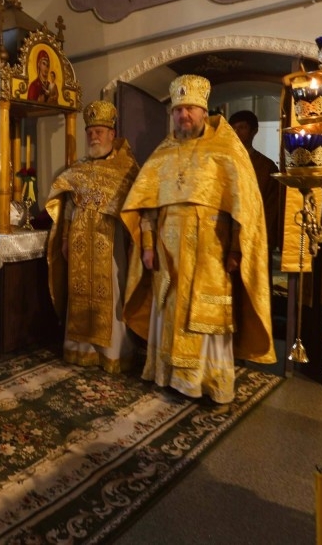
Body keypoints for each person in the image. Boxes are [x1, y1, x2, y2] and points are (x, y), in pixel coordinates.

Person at [121, 75, 275, 405]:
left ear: (204, 111)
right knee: (170, 312)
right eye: (178, 110)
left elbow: (243, 208)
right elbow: (147, 207)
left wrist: (236, 250)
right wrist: (147, 246)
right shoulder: (162, 154)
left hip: (212, 252)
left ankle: (207, 382)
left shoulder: (226, 149)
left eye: (190, 108)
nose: (184, 115)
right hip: (168, 250)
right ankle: (168, 376)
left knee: (206, 315)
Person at [45, 98, 140, 373]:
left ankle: (112, 352)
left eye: (99, 131)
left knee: (111, 290)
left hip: (110, 240)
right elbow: (68, 205)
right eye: (89, 132)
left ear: (112, 134)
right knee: (79, 291)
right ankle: (81, 349)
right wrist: (64, 238)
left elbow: (134, 207)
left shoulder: (126, 167)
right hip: (78, 239)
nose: (93, 137)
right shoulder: (78, 169)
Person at [229, 109, 282, 254]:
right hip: (226, 237)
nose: (236, 132)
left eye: (242, 127)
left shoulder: (266, 166)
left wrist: (266, 240)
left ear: (254, 131)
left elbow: (271, 207)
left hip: (255, 237)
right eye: (233, 128)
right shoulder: (222, 162)